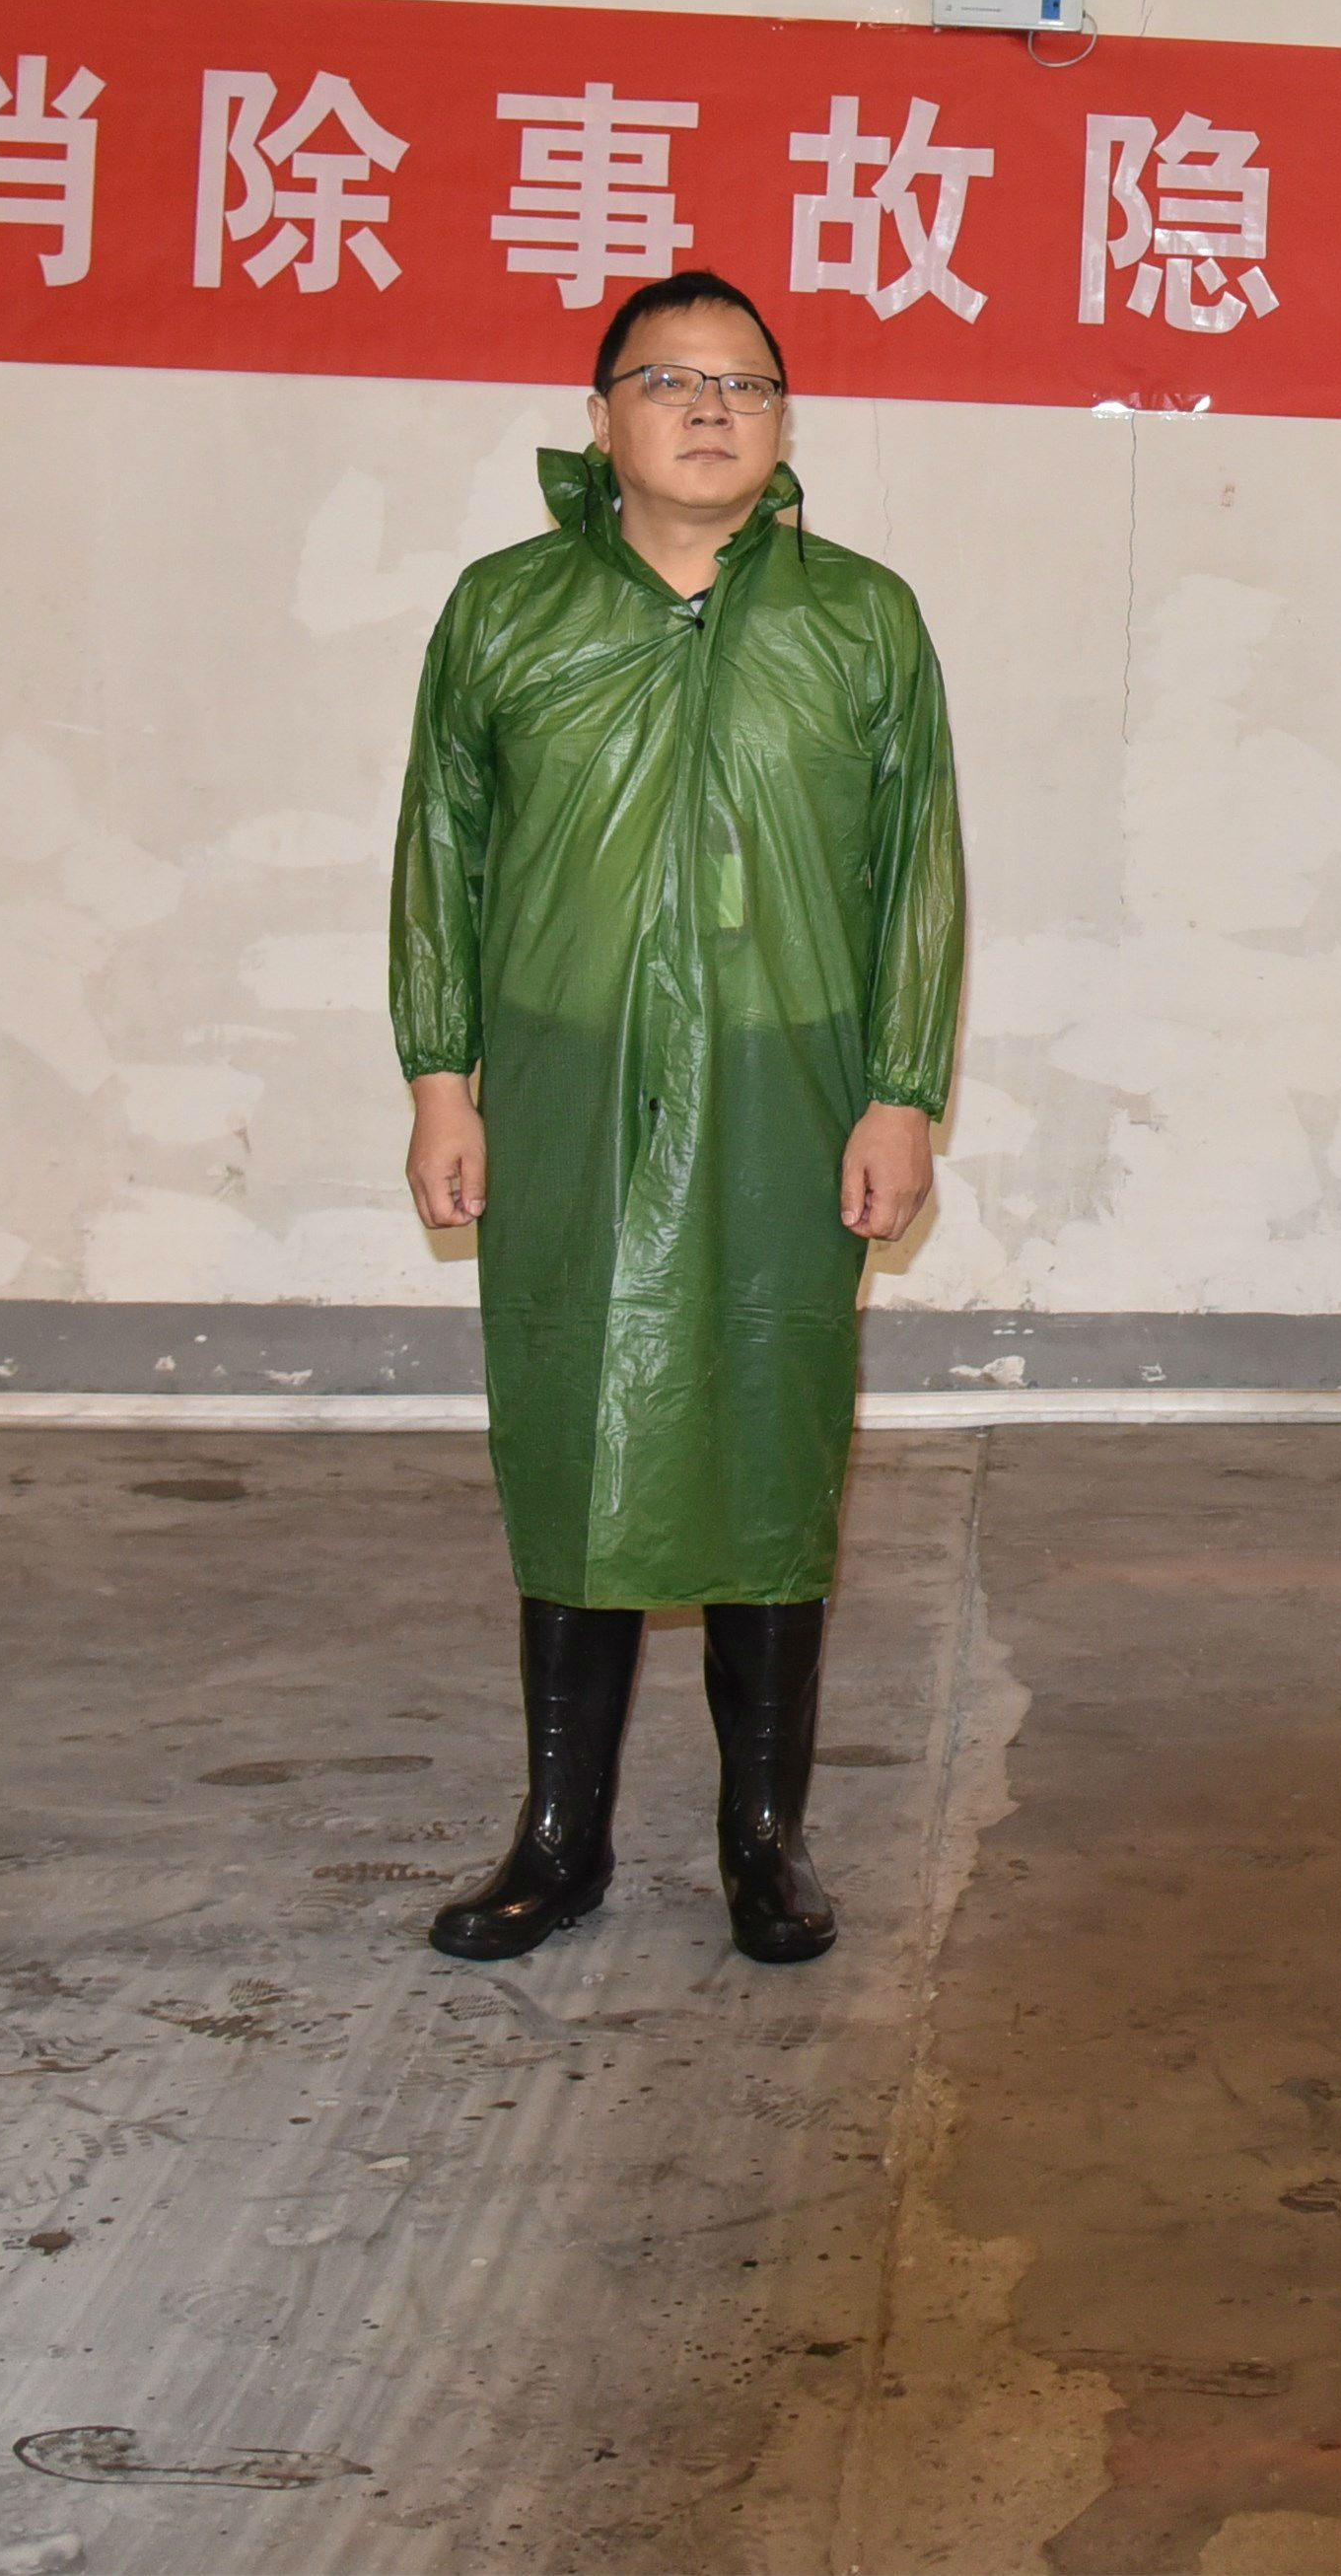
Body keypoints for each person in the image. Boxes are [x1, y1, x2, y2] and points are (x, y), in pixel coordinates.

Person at [388, 269, 962, 1968]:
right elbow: (440, 849)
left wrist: (902, 1089)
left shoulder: (860, 618)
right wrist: (442, 1077)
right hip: (563, 1073)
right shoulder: (507, 611)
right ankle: (557, 1838)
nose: (712, 407)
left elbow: (917, 868)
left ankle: (762, 1840)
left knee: (773, 1433)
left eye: (746, 384)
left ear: (783, 422)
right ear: (600, 417)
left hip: (792, 1074)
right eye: (670, 378)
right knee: (571, 1424)